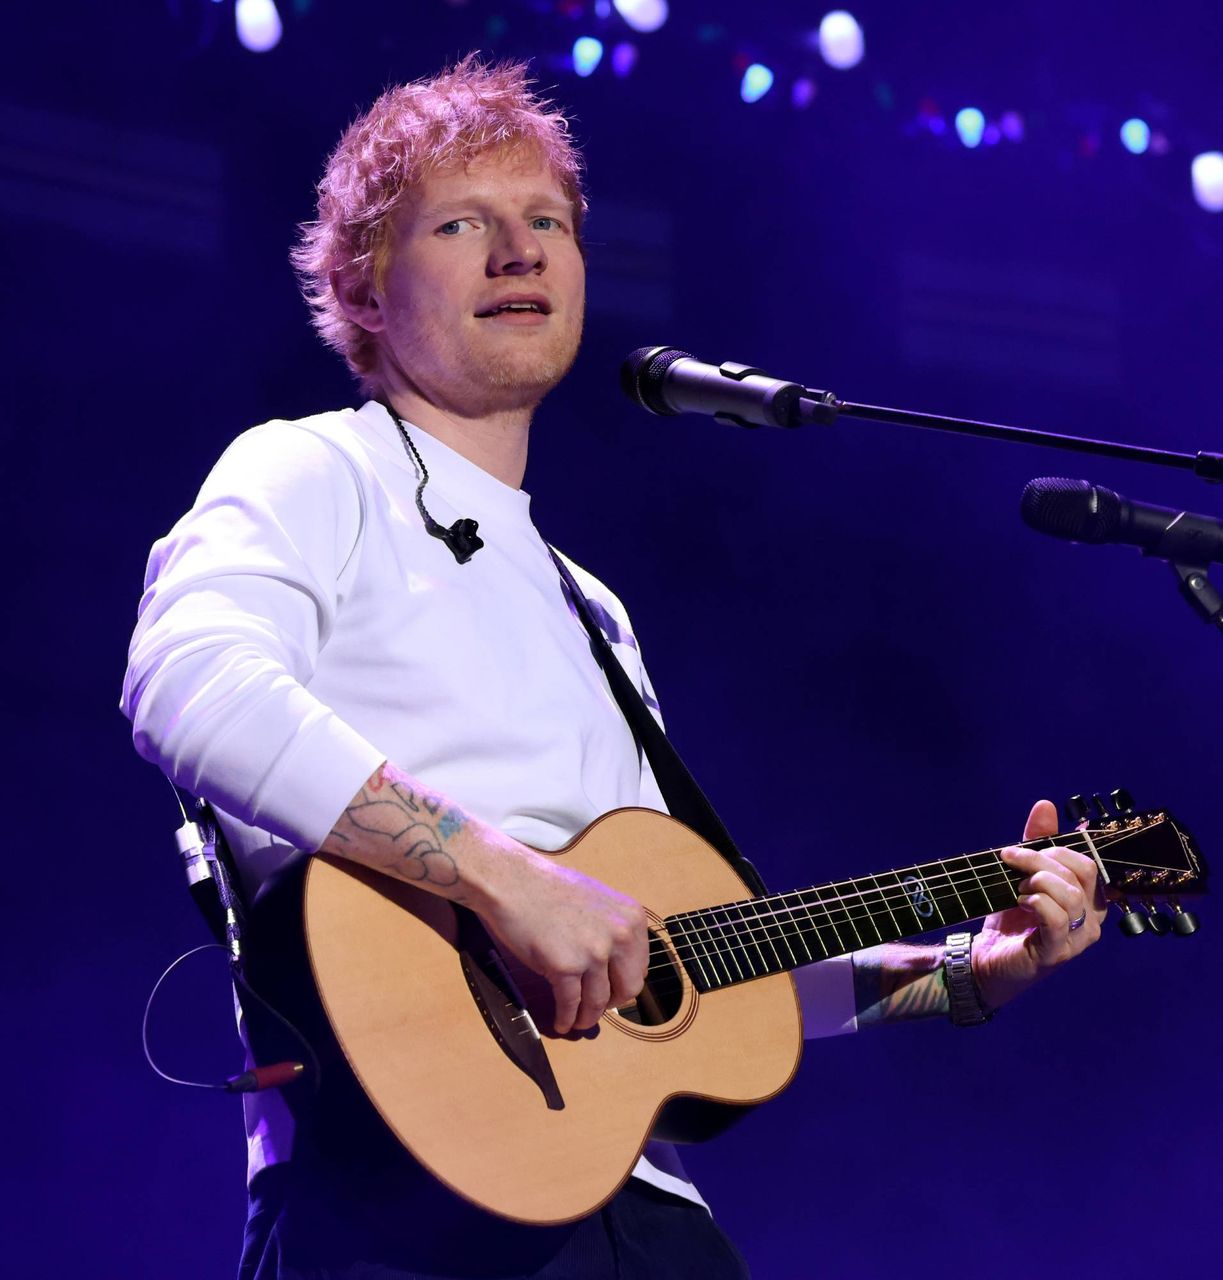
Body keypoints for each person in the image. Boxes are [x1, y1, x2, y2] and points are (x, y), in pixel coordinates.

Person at [122, 56, 1107, 1280]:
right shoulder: (310, 471)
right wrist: (498, 876)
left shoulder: (590, 605)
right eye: (461, 222)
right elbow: (188, 686)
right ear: (364, 286)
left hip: (645, 1216)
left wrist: (960, 972)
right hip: (400, 1203)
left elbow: (664, 964)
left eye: (546, 221)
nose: (520, 251)